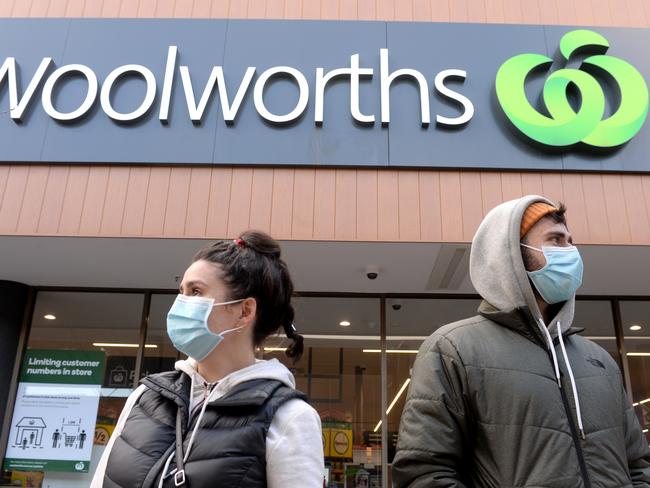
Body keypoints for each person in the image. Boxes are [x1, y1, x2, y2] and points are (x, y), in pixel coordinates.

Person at [392, 195, 650, 487]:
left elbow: (638, 466)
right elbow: (424, 473)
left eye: (570, 241)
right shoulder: (453, 350)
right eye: (556, 239)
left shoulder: (599, 360)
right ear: (511, 254)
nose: (571, 251)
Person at [91, 231, 324, 488]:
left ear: (244, 311)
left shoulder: (289, 417)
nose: (181, 302)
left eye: (196, 291)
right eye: (181, 291)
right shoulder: (146, 396)